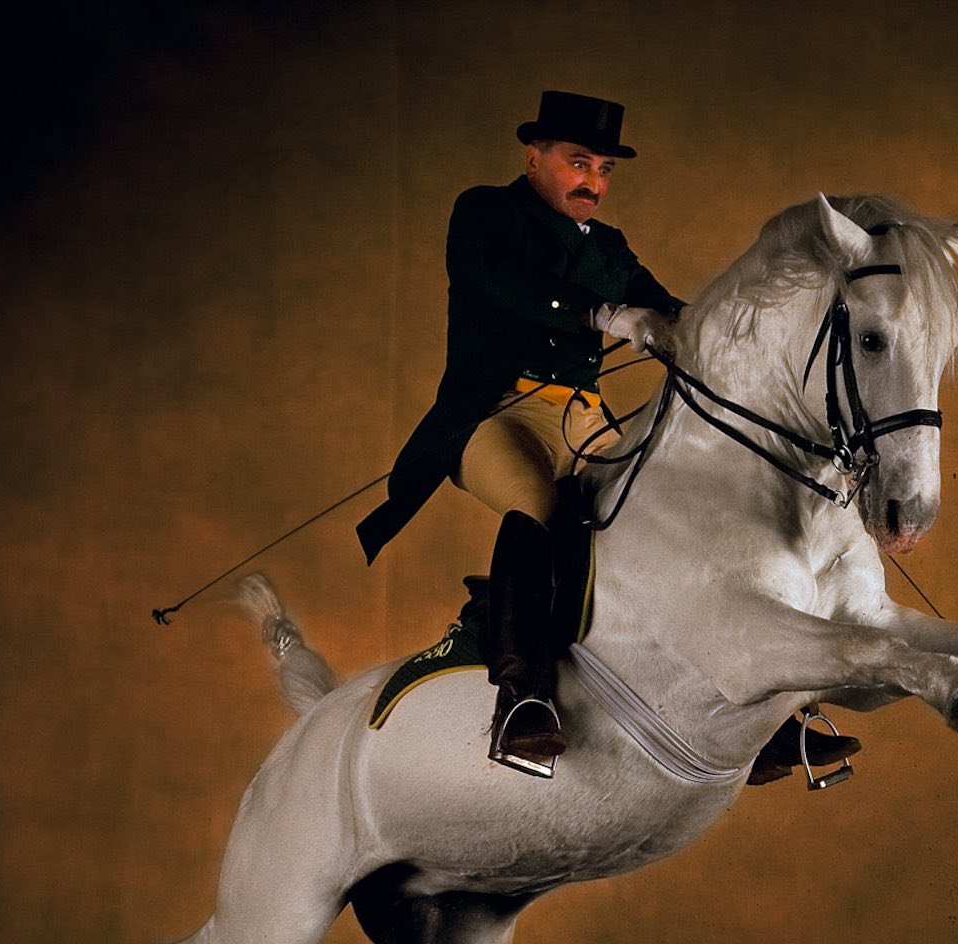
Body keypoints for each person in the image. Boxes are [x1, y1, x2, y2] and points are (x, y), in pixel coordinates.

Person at [357, 90, 855, 783]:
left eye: (604, 170)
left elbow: (668, 307)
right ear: (535, 159)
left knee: (671, 516)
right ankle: (520, 700)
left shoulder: (609, 247)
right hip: (496, 415)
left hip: (583, 419)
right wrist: (608, 315)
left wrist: (738, 331)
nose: (593, 180)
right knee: (538, 500)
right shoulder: (486, 214)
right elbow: (510, 284)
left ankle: (757, 713)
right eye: (577, 162)